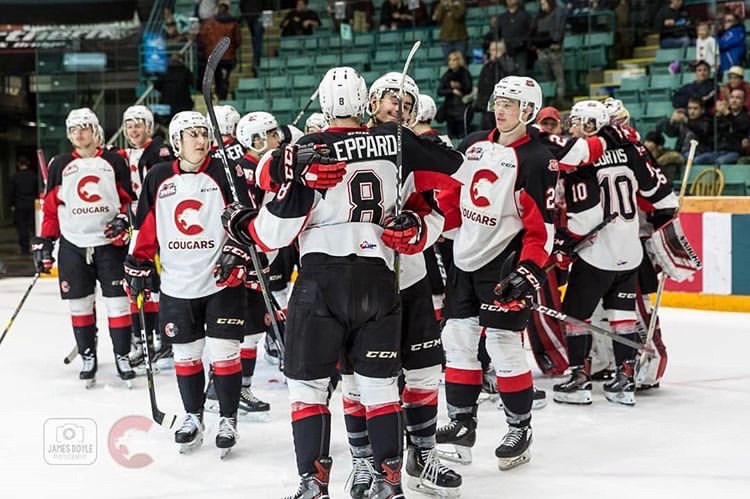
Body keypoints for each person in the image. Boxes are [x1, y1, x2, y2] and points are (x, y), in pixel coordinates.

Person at [222, 66, 464, 499]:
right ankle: (379, 476)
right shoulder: (399, 143)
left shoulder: (311, 148)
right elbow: (454, 167)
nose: (397, 108)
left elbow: (273, 227)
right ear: (367, 103)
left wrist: (246, 224)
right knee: (376, 387)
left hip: (332, 280)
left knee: (315, 389)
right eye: (390, 100)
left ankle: (321, 482)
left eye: (405, 104)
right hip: (379, 278)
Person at [436, 76, 558, 472]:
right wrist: (440, 231)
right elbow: (451, 196)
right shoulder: (473, 144)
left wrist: (529, 270)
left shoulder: (538, 159)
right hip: (464, 259)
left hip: (504, 263)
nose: (501, 109)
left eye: (511, 103)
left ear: (529, 110)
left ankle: (519, 427)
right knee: (457, 339)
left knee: (504, 344)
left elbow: (542, 228)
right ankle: (461, 421)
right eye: (498, 102)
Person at [125, 111, 255, 456]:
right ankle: (193, 416)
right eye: (192, 134)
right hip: (177, 282)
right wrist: (137, 263)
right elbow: (145, 226)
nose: (200, 139)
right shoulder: (157, 177)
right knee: (186, 354)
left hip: (220, 279)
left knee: (225, 352)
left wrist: (236, 249)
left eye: (203, 133)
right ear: (177, 142)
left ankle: (228, 419)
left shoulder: (224, 171)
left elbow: (246, 219)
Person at [551, 100, 678, 407]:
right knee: (622, 315)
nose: (572, 128)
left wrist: (563, 244)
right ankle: (624, 380)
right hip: (630, 249)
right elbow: (660, 196)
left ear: (591, 126)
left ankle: (578, 379)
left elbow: (585, 217)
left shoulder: (582, 160)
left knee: (575, 316)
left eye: (578, 123)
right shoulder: (633, 151)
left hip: (597, 253)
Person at [32, 108, 136, 388]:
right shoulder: (60, 164)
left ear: (95, 130)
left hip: (109, 245)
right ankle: (88, 355)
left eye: (84, 127)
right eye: (73, 129)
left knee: (118, 304)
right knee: (79, 304)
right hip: (73, 244)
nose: (78, 133)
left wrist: (123, 220)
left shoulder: (114, 161)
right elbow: (52, 208)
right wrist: (45, 241)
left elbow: (128, 202)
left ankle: (122, 355)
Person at [205, 110, 280, 419]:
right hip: (247, 253)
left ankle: (233, 387)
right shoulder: (243, 171)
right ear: (257, 139)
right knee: (243, 327)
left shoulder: (262, 165)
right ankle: (225, 388)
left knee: (252, 328)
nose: (279, 138)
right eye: (272, 133)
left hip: (259, 251)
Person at [118, 105, 174, 369]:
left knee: (161, 282)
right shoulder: (122, 155)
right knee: (138, 280)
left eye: (138, 124)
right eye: (129, 125)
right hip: (135, 226)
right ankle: (143, 340)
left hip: (158, 224)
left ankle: (166, 338)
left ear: (149, 127)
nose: (133, 129)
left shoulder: (160, 151)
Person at [694, 88, 750, 165]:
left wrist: (727, 113)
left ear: (743, 101)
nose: (734, 100)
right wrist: (717, 117)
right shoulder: (722, 116)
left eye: (738, 98)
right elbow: (708, 132)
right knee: (697, 160)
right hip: (718, 151)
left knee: (719, 162)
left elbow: (739, 129)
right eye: (732, 97)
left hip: (735, 152)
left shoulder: (745, 117)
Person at [199, 0, 241, 100]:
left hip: (215, 56)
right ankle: (224, 89)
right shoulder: (234, 23)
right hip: (229, 56)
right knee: (224, 76)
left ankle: (220, 93)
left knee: (217, 76)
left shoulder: (210, 23)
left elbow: (203, 38)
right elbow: (238, 40)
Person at [475, 40, 518, 130]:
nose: (492, 53)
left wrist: (500, 60)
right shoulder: (487, 66)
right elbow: (481, 85)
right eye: (491, 50)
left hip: (503, 104)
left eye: (495, 50)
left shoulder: (508, 63)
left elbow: (510, 73)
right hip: (487, 106)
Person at [531, 0, 566, 105]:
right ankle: (550, 100)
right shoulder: (538, 17)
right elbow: (533, 32)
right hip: (542, 51)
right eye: (541, 4)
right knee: (547, 77)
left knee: (558, 77)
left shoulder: (557, 14)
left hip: (555, 50)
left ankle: (560, 100)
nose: (543, 6)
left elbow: (559, 30)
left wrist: (556, 41)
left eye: (544, 3)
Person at [437, 51, 472, 138]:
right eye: (450, 60)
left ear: (459, 61)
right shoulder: (446, 75)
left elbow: (468, 88)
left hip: (462, 108)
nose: (451, 62)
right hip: (449, 109)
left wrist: (459, 86)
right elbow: (440, 91)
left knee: (462, 134)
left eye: (454, 60)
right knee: (451, 135)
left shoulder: (465, 73)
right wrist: (451, 91)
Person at [9, 157, 37, 255]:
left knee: (22, 228)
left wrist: (12, 204)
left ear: (18, 164)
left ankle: (24, 249)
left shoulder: (15, 177)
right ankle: (35, 246)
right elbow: (36, 191)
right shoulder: (33, 176)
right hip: (31, 204)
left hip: (19, 205)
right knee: (33, 227)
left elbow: (11, 192)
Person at [154, 53, 195, 121]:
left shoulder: (164, 72)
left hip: (166, 104)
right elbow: (193, 83)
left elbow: (156, 85)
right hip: (183, 105)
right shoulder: (185, 71)